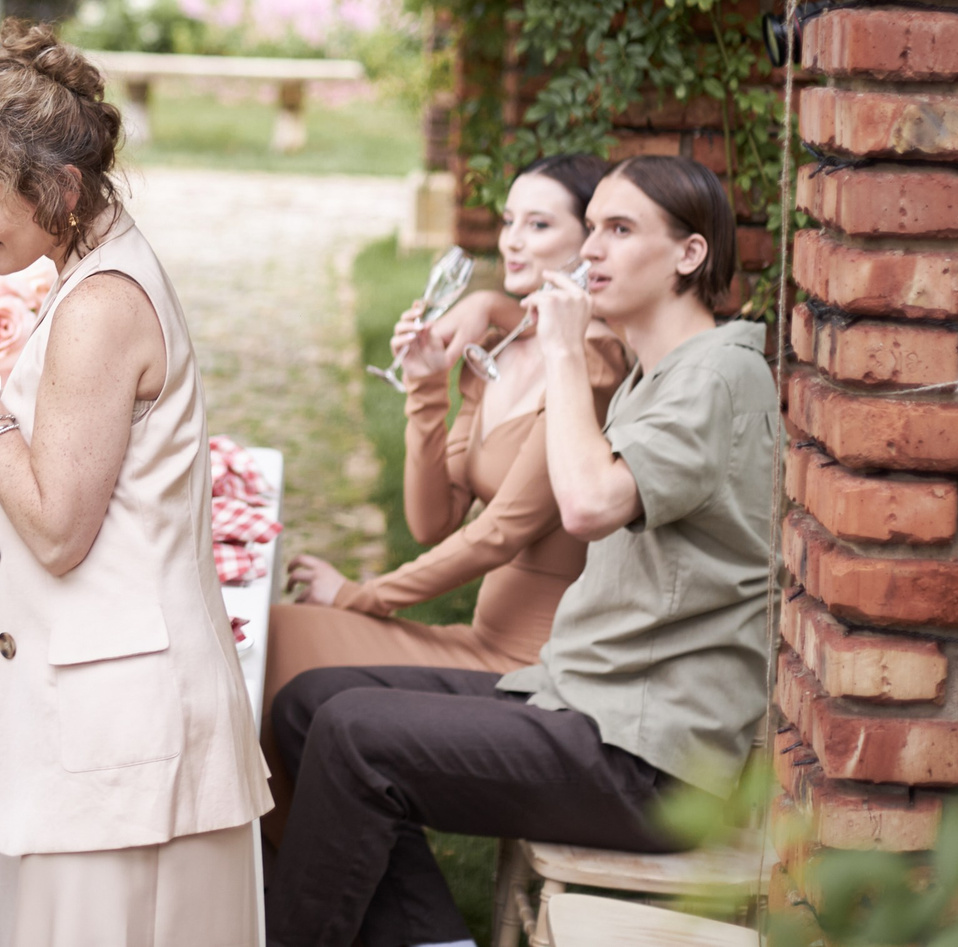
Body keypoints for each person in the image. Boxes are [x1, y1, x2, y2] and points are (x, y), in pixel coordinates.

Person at [263, 155, 780, 947]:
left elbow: (587, 503)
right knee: (309, 704)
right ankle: (431, 939)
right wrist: (486, 318)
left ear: (690, 254)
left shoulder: (717, 375)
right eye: (594, 228)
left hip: (647, 760)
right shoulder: (664, 370)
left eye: (619, 229)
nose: (593, 251)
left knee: (353, 736)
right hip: (578, 700)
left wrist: (567, 351)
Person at [0, 23, 272, 947]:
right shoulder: (91, 270)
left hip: (125, 731)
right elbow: (48, 456)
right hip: (119, 711)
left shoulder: (101, 306)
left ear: (61, 189)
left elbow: (60, 527)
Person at [260, 157, 629, 836]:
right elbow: (434, 518)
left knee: (277, 661)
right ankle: (289, 876)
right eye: (510, 221)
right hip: (477, 640)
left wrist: (357, 595)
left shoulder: (591, 370)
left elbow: (500, 534)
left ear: (590, 245)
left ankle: (300, 884)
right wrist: (428, 388)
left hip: (531, 667)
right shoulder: (504, 347)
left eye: (539, 224)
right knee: (267, 641)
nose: (512, 240)